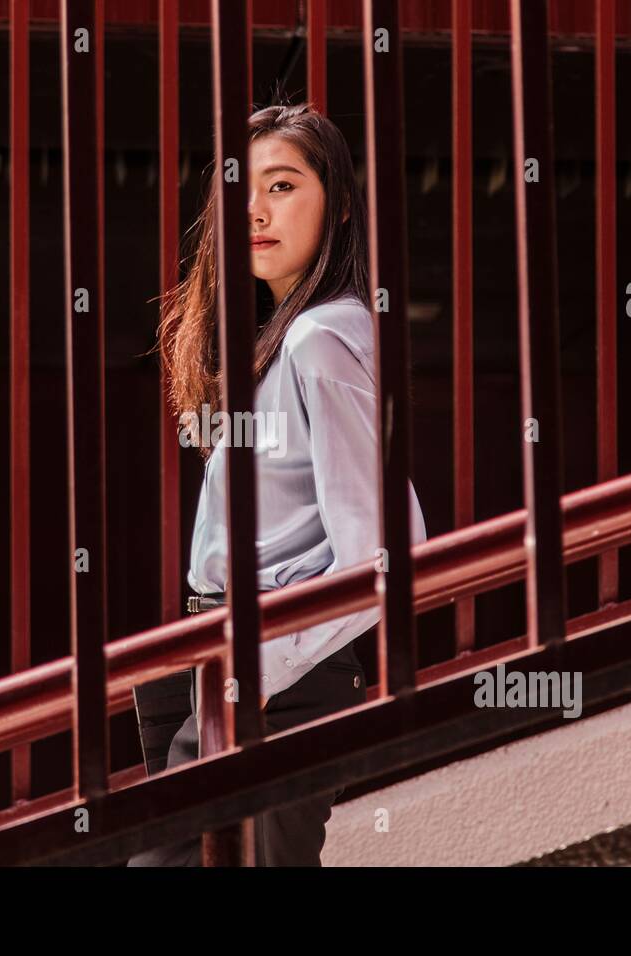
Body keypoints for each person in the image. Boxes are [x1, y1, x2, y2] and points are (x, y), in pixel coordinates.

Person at [129, 102, 427, 866]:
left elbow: (389, 550)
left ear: (338, 205)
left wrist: (265, 671)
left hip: (271, 673)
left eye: (284, 185)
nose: (255, 211)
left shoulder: (320, 337)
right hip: (221, 657)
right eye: (241, 189)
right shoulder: (282, 334)